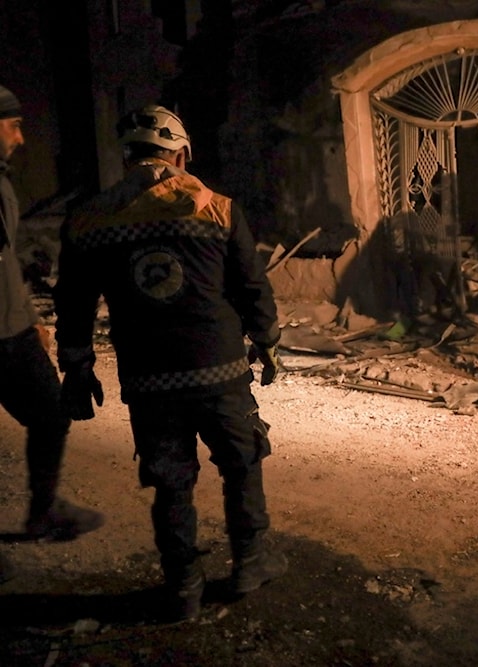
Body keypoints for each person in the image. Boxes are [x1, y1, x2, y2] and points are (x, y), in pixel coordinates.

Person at [53, 104, 286, 621]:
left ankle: (183, 587)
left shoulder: (90, 218)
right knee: (242, 462)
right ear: (180, 153)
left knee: (170, 479)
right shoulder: (215, 206)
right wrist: (267, 341)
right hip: (219, 369)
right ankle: (250, 563)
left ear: (128, 155)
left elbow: (73, 301)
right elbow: (252, 285)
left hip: (148, 375)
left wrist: (78, 365)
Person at [0, 82, 105, 574]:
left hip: (10, 328)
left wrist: (30, 315)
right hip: (2, 334)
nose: (21, 139)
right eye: (14, 126)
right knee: (49, 415)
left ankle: (43, 511)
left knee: (50, 414)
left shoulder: (0, 182)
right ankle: (43, 512)